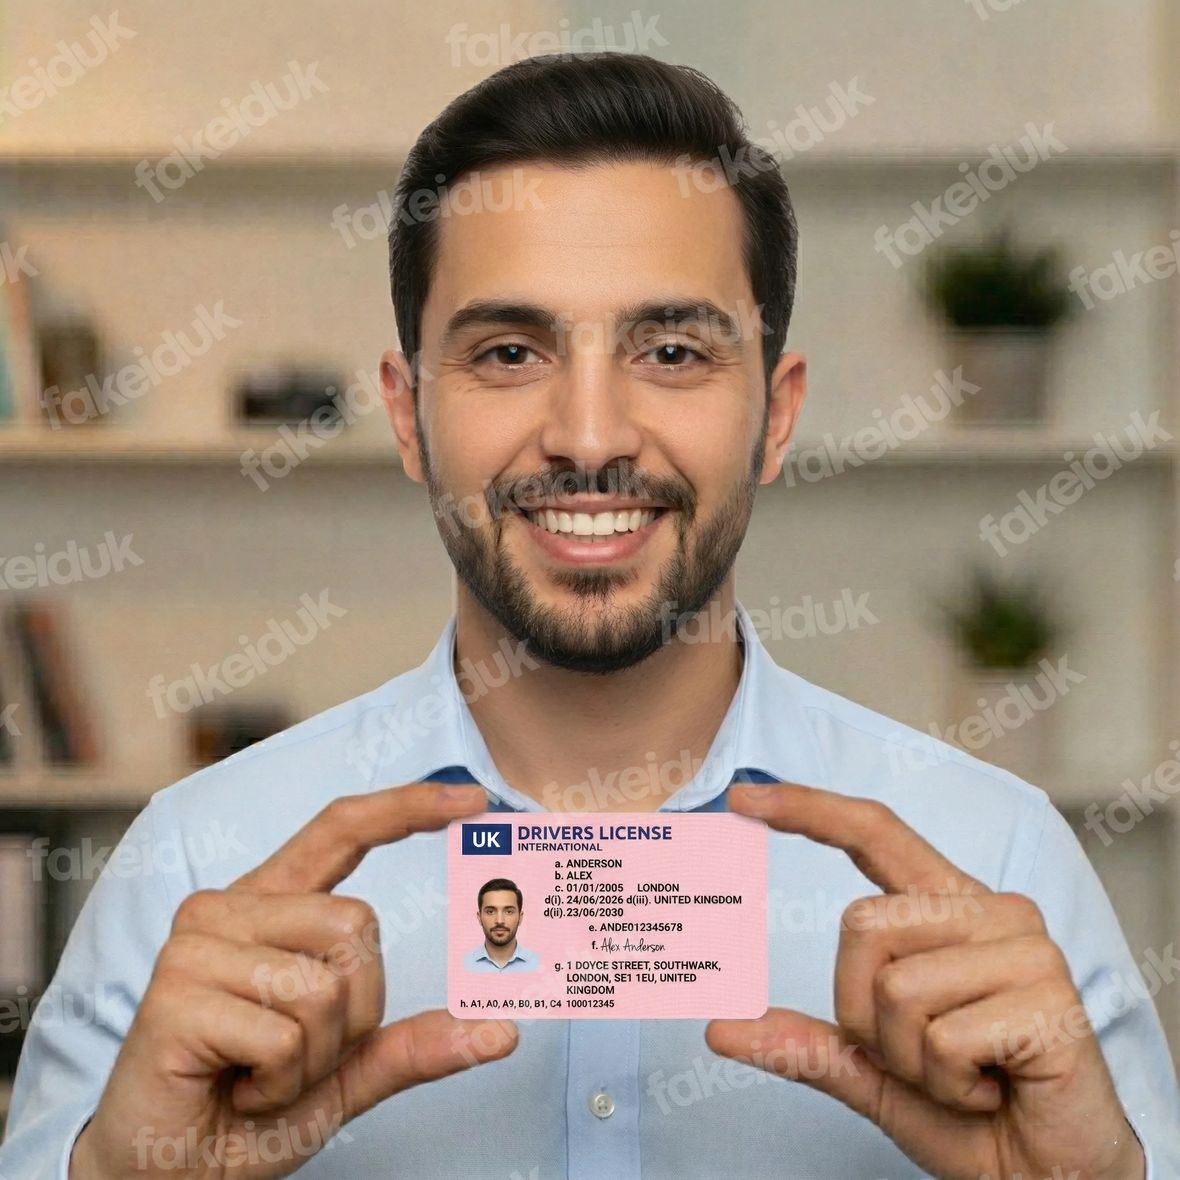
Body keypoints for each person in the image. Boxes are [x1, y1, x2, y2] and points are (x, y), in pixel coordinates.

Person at [1, 51, 1177, 1180]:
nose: (590, 434)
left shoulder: (1000, 860)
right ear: (407, 417)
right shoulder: (195, 864)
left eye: (671, 349)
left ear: (775, 414)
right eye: (509, 350)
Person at [463, 879, 538, 972]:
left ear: (520, 917)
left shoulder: (538, 965)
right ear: (479, 917)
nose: (499, 921)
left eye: (509, 911)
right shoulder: (463, 965)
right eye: (490, 912)